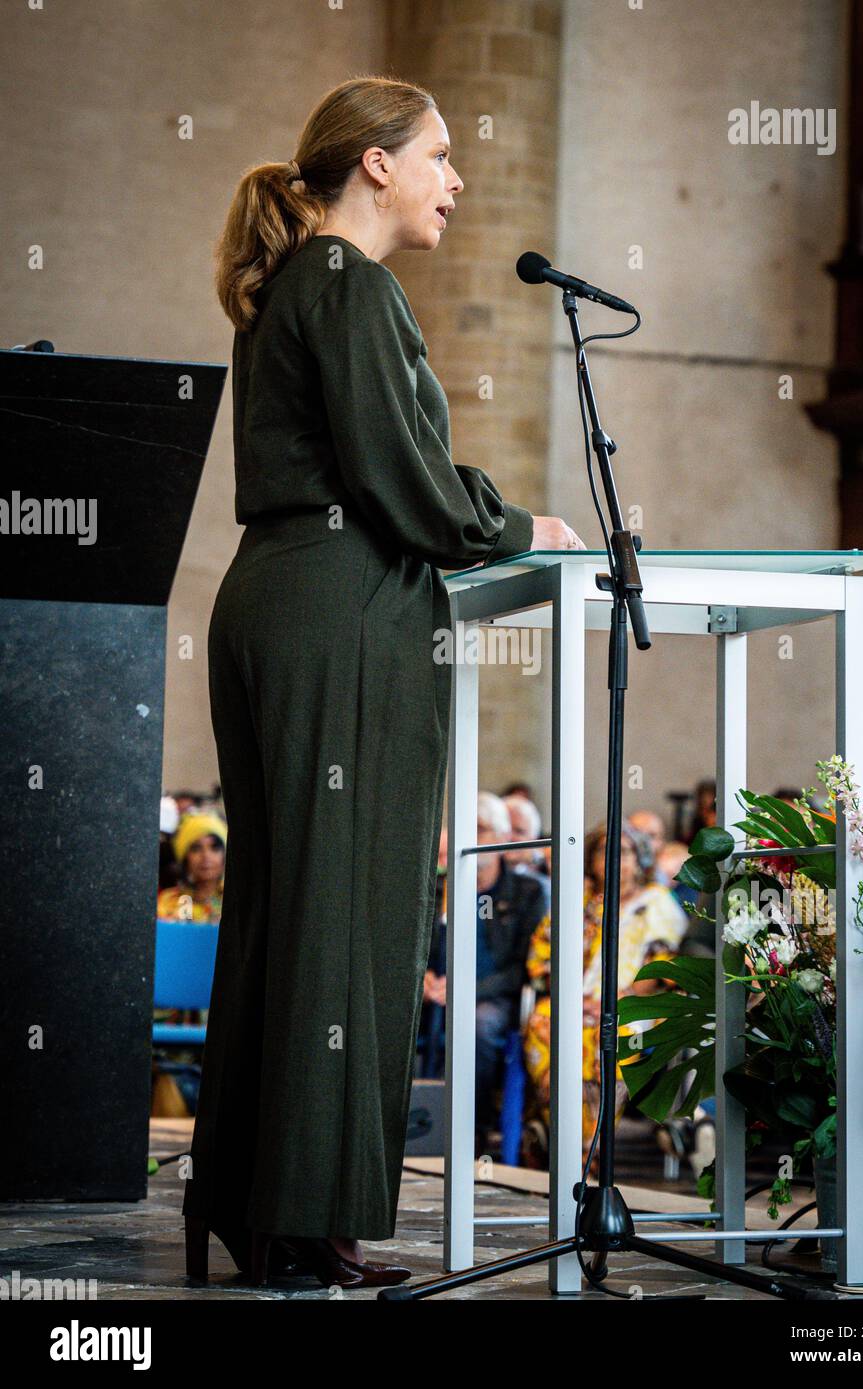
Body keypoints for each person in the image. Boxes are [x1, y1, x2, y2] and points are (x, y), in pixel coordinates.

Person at [180, 75, 585, 1293]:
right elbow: (403, 475)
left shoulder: (300, 286)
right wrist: (522, 523)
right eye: (441, 156)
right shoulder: (350, 284)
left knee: (286, 910)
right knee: (347, 920)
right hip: (338, 613)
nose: (456, 181)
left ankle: (251, 1196)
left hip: (284, 597)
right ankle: (304, 1217)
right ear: (374, 165)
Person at [522, 821, 689, 1163]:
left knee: (609, 1035)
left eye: (624, 851)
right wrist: (574, 997)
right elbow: (541, 956)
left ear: (639, 858)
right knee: (544, 1022)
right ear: (591, 858)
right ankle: (559, 1128)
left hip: (634, 1002)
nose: (614, 859)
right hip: (572, 998)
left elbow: (664, 967)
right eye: (603, 850)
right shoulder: (576, 901)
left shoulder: (657, 903)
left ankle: (590, 1148)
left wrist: (617, 998)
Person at [424, 793, 548, 1153]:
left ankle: (467, 1129)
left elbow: (525, 968)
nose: (471, 836)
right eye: (465, 826)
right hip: (437, 990)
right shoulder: (438, 887)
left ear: (504, 838)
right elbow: (412, 947)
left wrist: (467, 991)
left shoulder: (528, 892)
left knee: (476, 1026)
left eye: (481, 828)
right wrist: (422, 979)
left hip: (495, 996)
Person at [156, 812, 226, 924]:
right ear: (185, 857)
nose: (206, 856)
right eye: (196, 848)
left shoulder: (236, 900)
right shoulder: (168, 902)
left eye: (214, 848)